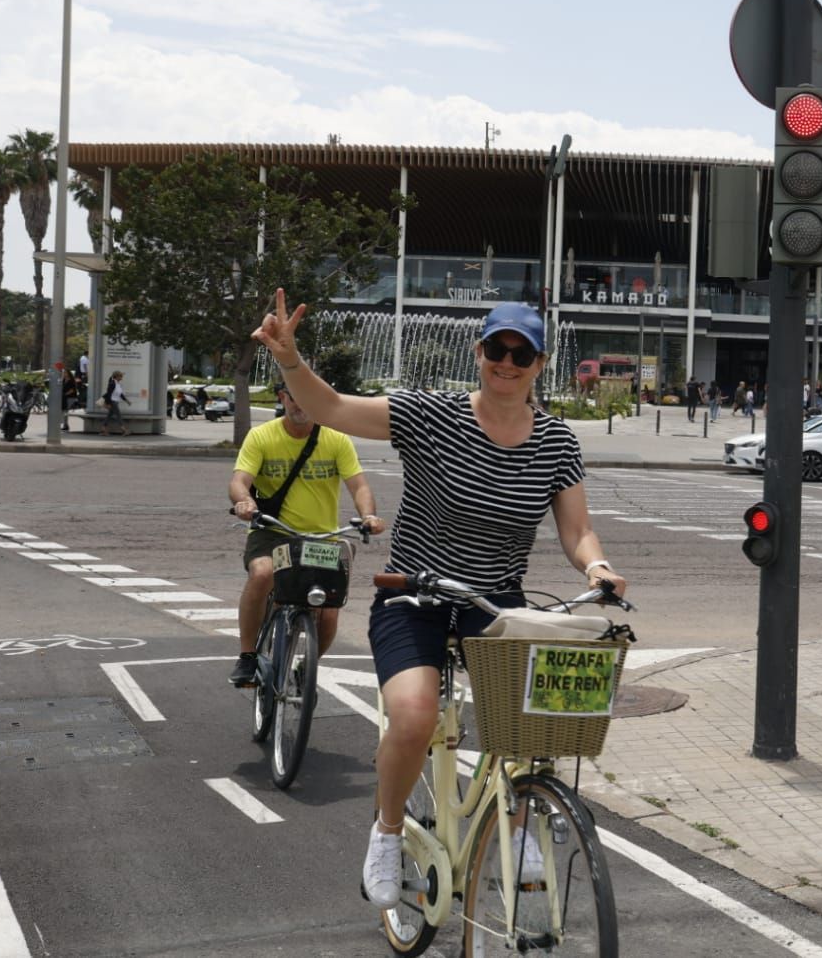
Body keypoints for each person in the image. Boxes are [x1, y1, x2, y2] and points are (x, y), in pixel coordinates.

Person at [252, 291, 626, 911]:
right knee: (415, 715)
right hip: (415, 595)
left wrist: (599, 565)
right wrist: (291, 361)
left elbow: (576, 528)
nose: (506, 363)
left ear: (540, 364)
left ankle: (518, 822)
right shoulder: (433, 416)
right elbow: (334, 407)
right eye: (496, 349)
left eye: (522, 353)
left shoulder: (556, 442)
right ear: (479, 351)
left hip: (495, 602)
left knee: (535, 721)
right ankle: (388, 832)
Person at [225, 382, 386, 688]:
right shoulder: (262, 436)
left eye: (307, 399)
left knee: (328, 612)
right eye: (293, 398)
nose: (300, 406)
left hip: (322, 538)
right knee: (261, 574)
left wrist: (368, 515)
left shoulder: (336, 439)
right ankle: (247, 656)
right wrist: (244, 501)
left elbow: (359, 486)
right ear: (282, 397)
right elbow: (239, 480)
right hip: (273, 531)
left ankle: (308, 664)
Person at [102, 370, 131, 435]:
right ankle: (124, 430)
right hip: (112, 402)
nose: (122, 377)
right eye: (120, 376)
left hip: (115, 401)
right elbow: (108, 394)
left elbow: (121, 394)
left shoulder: (118, 384)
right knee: (118, 416)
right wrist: (108, 403)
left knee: (109, 416)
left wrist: (127, 401)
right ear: (116, 376)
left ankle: (104, 429)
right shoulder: (112, 383)